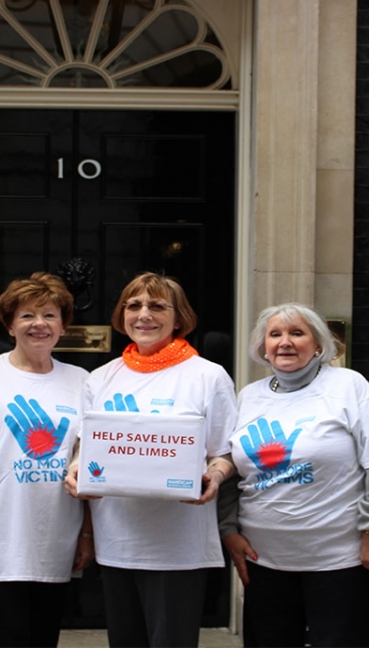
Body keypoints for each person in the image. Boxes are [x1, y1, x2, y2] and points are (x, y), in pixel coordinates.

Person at [65, 272, 237, 648]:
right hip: (117, 540)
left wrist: (215, 475)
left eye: (157, 306)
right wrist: (76, 468)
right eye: (134, 305)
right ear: (121, 315)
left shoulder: (208, 377)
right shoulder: (100, 378)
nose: (144, 314)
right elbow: (85, 444)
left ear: (179, 319)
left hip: (178, 544)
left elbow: (225, 452)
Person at [219, 303, 369, 648]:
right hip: (265, 562)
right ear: (263, 346)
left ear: (318, 344)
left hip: (340, 562)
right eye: (275, 335)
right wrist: (228, 529)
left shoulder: (348, 386)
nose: (285, 342)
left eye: (297, 333)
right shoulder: (248, 397)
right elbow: (229, 468)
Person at [0, 272, 93, 647]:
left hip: (55, 536)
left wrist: (87, 533)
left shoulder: (82, 381)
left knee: (43, 638)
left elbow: (89, 458)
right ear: (9, 325)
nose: (39, 324)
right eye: (27, 315)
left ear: (63, 325)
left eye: (49, 315)